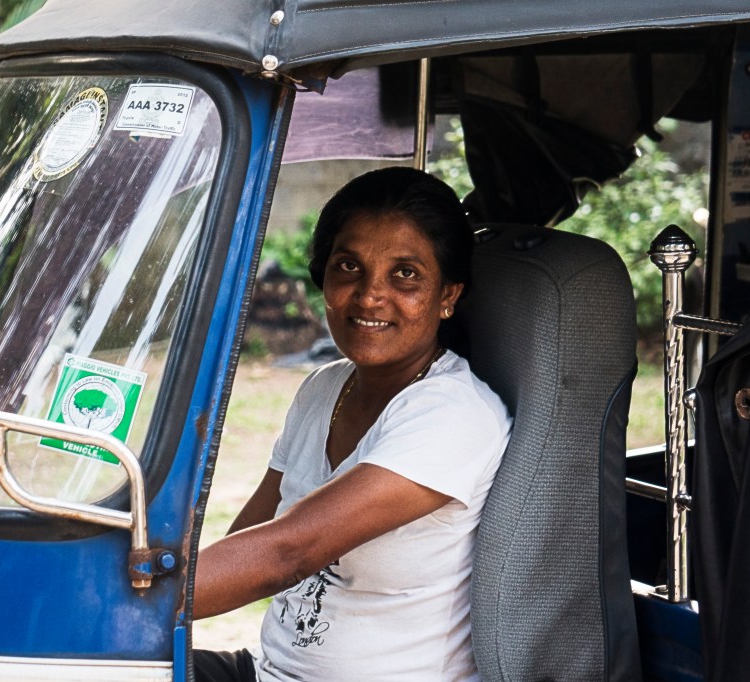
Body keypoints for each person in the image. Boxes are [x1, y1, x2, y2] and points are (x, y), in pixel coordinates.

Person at [193, 167, 512, 681]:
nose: (369, 296)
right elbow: (254, 535)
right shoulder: (323, 387)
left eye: (405, 274)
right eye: (349, 266)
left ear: (448, 295)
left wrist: (114, 608)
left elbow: (286, 553)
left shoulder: (454, 415)